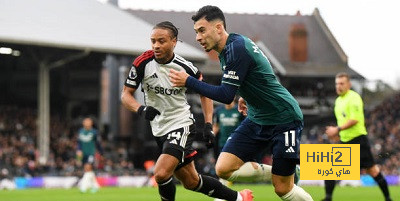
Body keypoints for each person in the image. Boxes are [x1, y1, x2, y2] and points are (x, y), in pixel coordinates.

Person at [169, 5, 312, 201]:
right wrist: (247, 94)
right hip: (258, 118)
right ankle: (286, 172)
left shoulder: (236, 49)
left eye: (202, 30)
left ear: (218, 28)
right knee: (224, 168)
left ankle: (284, 175)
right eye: (196, 32)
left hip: (284, 118)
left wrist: (188, 81)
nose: (198, 37)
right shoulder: (231, 47)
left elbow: (226, 95)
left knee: (282, 189)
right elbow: (261, 71)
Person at [121, 21, 253, 201]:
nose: (156, 46)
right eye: (153, 41)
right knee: (191, 181)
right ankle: (239, 198)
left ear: (174, 42)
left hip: (180, 125)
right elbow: (125, 95)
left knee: (160, 174)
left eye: (161, 41)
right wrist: (141, 109)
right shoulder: (142, 63)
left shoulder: (186, 67)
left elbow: (204, 93)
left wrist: (208, 123)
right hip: (159, 128)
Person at [323, 72, 392, 201]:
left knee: (372, 171)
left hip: (358, 140)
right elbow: (343, 121)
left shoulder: (354, 98)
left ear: (349, 85)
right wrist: (337, 135)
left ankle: (388, 198)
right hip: (345, 141)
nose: (339, 86)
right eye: (337, 84)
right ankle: (327, 198)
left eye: (342, 83)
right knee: (330, 168)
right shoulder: (338, 101)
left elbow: (354, 120)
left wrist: (336, 129)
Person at [76, 117, 102, 193]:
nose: (86, 123)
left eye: (88, 122)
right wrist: (78, 150)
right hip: (83, 153)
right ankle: (96, 186)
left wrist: (101, 152)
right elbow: (79, 143)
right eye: (85, 122)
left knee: (88, 167)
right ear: (83, 123)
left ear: (91, 123)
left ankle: (83, 187)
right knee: (88, 170)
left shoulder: (94, 132)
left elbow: (98, 143)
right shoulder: (80, 131)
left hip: (91, 152)